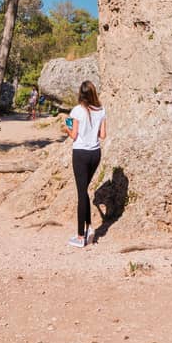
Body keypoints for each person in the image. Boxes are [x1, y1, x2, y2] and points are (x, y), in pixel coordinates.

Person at [63, 79, 106, 247]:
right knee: (84, 191)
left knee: (81, 193)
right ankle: (89, 228)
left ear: (81, 94)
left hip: (80, 153)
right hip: (95, 154)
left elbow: (73, 135)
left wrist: (66, 125)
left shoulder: (76, 111)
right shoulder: (101, 110)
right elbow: (103, 135)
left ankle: (80, 237)